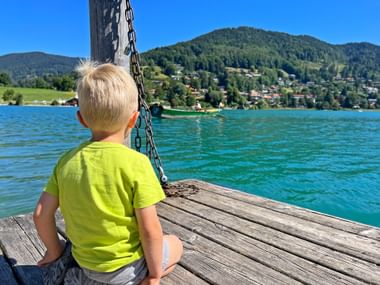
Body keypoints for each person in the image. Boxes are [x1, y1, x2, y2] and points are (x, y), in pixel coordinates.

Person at [33, 61, 183, 285]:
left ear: (81, 119)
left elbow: (40, 215)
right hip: (125, 272)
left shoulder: (66, 161)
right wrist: (153, 276)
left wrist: (55, 250)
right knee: (176, 244)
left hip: (86, 266)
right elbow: (150, 230)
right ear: (133, 119)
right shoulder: (137, 163)